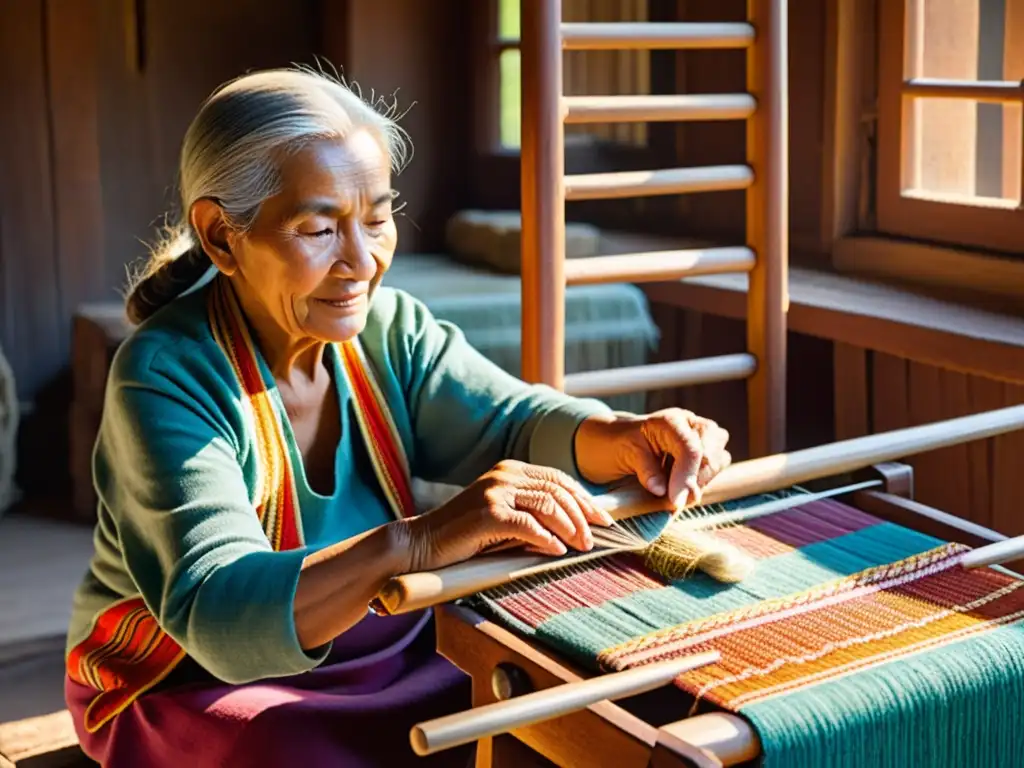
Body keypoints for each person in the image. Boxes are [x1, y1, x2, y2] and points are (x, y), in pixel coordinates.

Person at [63, 68, 732, 768]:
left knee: (550, 690)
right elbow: (219, 614)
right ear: (222, 237)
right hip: (190, 682)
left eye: (377, 220)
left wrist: (622, 437)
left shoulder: (389, 330)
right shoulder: (165, 375)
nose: (362, 262)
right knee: (280, 747)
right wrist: (420, 542)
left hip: (387, 645)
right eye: (319, 228)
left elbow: (510, 421)